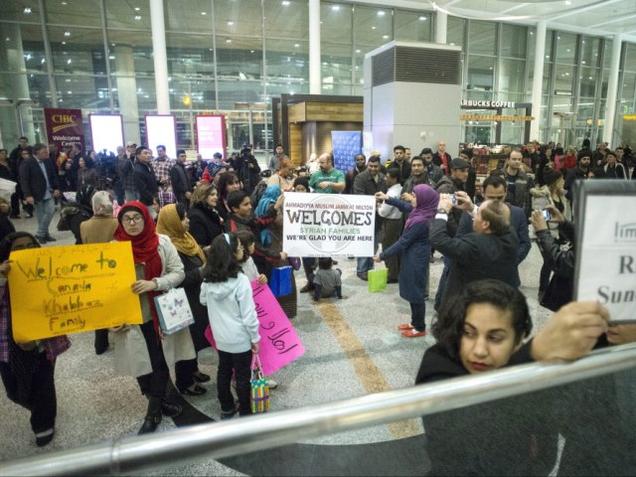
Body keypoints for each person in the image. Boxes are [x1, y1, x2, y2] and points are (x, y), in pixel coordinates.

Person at [416, 279, 610, 476]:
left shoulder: (534, 378)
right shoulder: (437, 364)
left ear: (517, 341)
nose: (480, 350)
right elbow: (467, 442)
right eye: (469, 333)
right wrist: (532, 354)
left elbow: (546, 450)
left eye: (495, 338)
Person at [112, 202, 193, 434]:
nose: (132, 223)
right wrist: (111, 318)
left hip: (158, 313)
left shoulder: (162, 243)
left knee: (159, 361)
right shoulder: (113, 248)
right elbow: (106, 288)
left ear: (146, 219)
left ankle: (153, 410)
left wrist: (155, 283)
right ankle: (157, 399)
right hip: (130, 317)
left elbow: (178, 272)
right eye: (127, 219)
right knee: (140, 363)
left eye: (137, 218)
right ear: (121, 222)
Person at [0, 232, 71, 447]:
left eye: (31, 245)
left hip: (43, 341)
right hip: (6, 344)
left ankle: (44, 423)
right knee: (13, 390)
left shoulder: (47, 271)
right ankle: (38, 406)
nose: (26, 250)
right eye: (19, 247)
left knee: (43, 385)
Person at [200, 233, 260, 419]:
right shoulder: (240, 281)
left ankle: (226, 407)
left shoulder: (207, 279)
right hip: (240, 338)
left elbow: (203, 301)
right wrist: (255, 337)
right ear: (231, 254)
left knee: (223, 371)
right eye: (239, 247)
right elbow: (249, 315)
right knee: (242, 376)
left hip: (221, 337)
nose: (242, 249)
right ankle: (245, 411)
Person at [156, 204, 211, 396]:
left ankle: (193, 370)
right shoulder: (167, 246)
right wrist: (200, 272)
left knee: (194, 339)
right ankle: (185, 381)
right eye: (183, 218)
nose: (187, 221)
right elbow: (173, 278)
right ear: (172, 222)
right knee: (184, 341)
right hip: (180, 301)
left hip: (195, 297)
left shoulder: (185, 238)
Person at [430, 194, 519, 309]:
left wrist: (442, 211)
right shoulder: (511, 236)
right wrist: (471, 208)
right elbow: (496, 218)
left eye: (478, 214)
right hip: (499, 305)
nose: (474, 217)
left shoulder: (474, 245)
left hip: (467, 306)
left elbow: (438, 239)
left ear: (485, 224)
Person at [375, 184, 437, 338]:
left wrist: (382, 255)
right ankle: (414, 322)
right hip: (411, 256)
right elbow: (404, 205)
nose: (411, 198)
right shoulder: (420, 211)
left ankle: (420, 327)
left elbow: (403, 242)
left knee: (416, 292)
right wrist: (387, 198)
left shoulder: (422, 220)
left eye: (415, 196)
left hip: (416, 259)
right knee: (411, 289)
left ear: (424, 199)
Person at [456, 174, 532, 288]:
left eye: (500, 197)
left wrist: (510, 261)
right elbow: (459, 240)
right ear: (482, 193)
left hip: (507, 279)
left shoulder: (518, 213)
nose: (495, 201)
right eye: (491, 197)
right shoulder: (470, 212)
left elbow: (525, 243)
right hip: (476, 278)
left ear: (506, 193)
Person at [80, 191, 118, 355]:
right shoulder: (117, 223)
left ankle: (100, 343)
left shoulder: (84, 225)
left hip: (94, 270)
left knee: (99, 306)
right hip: (115, 268)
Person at [19, 143, 60, 244]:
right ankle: (45, 234)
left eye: (47, 151)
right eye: (44, 152)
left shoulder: (48, 161)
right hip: (36, 194)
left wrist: (56, 188)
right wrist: (27, 195)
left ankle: (40, 233)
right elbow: (24, 180)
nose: (47, 153)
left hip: (49, 192)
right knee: (41, 216)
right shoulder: (27, 163)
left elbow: (53, 175)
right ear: (37, 153)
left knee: (50, 211)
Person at [353, 155, 386, 281]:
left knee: (375, 243)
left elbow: (386, 195)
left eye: (375, 166)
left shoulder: (383, 178)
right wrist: (375, 200)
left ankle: (369, 267)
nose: (373, 168)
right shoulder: (360, 178)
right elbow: (358, 195)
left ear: (379, 166)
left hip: (379, 217)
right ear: (367, 165)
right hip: (364, 217)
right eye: (371, 166)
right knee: (363, 243)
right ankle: (361, 270)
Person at [376, 168, 402, 283]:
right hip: (397, 221)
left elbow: (383, 212)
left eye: (387, 176)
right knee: (395, 247)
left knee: (388, 248)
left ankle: (392, 275)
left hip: (391, 222)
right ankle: (395, 272)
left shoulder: (392, 193)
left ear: (394, 178)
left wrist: (377, 205)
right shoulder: (400, 189)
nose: (385, 179)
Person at [187, 182, 224, 248]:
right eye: (212, 195)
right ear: (203, 196)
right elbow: (201, 243)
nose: (216, 197)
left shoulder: (210, 211)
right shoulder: (195, 216)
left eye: (216, 194)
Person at [502, 149, 534, 218]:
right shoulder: (499, 176)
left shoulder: (526, 178)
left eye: (519, 159)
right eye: (514, 159)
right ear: (508, 160)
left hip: (519, 214)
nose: (517, 162)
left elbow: (529, 200)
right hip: (502, 214)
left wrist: (527, 215)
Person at [133, 146, 159, 214]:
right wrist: (153, 199)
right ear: (138, 155)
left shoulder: (148, 165)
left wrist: (159, 182)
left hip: (155, 198)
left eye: (149, 153)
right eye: (145, 153)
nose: (148, 155)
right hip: (148, 202)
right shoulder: (138, 170)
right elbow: (143, 190)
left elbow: (151, 181)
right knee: (152, 220)